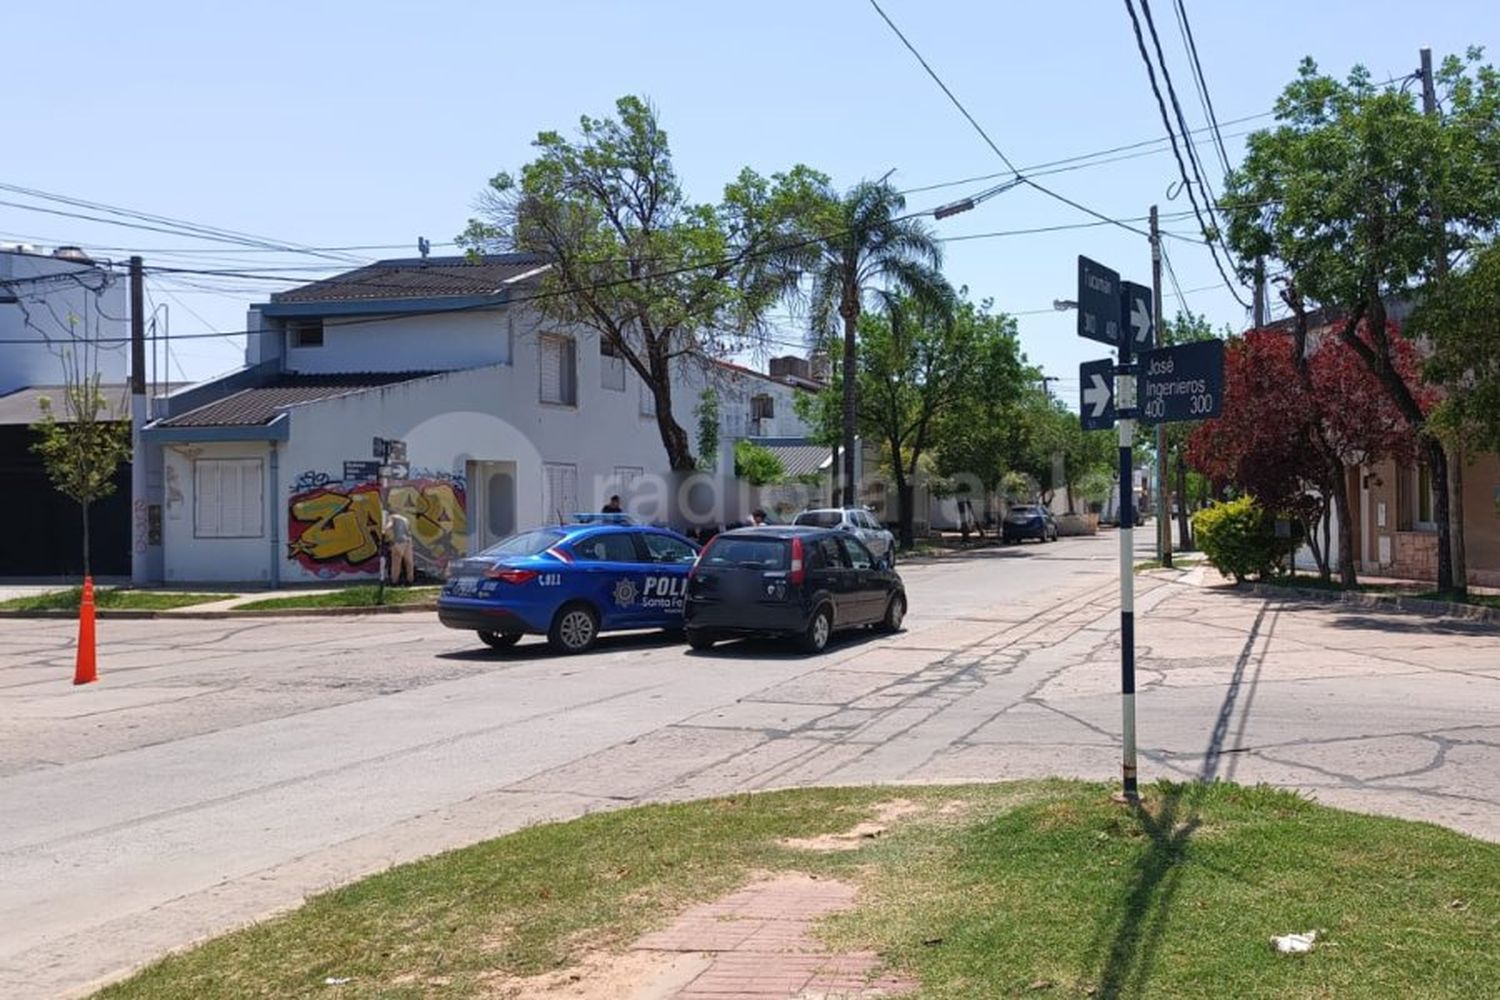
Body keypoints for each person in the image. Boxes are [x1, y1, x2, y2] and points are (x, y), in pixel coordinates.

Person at [383, 510, 414, 585]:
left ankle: (394, 582)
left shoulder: (392, 517)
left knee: (396, 563)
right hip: (408, 541)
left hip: (398, 541)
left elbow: (389, 525)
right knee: (409, 563)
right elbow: (409, 531)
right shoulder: (405, 519)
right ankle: (409, 580)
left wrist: (384, 532)